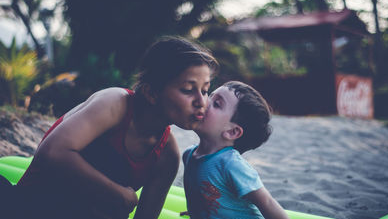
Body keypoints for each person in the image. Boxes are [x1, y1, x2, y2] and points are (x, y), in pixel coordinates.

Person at [9, 36, 219, 219]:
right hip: (33, 205)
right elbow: (51, 152)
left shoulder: (167, 155)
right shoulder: (115, 104)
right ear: (151, 93)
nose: (201, 101)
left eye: (205, 90)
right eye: (188, 89)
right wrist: (117, 194)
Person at [182, 81, 289, 219]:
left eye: (217, 104)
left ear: (232, 132)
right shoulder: (188, 155)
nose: (205, 102)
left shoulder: (230, 164)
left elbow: (267, 203)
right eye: (210, 96)